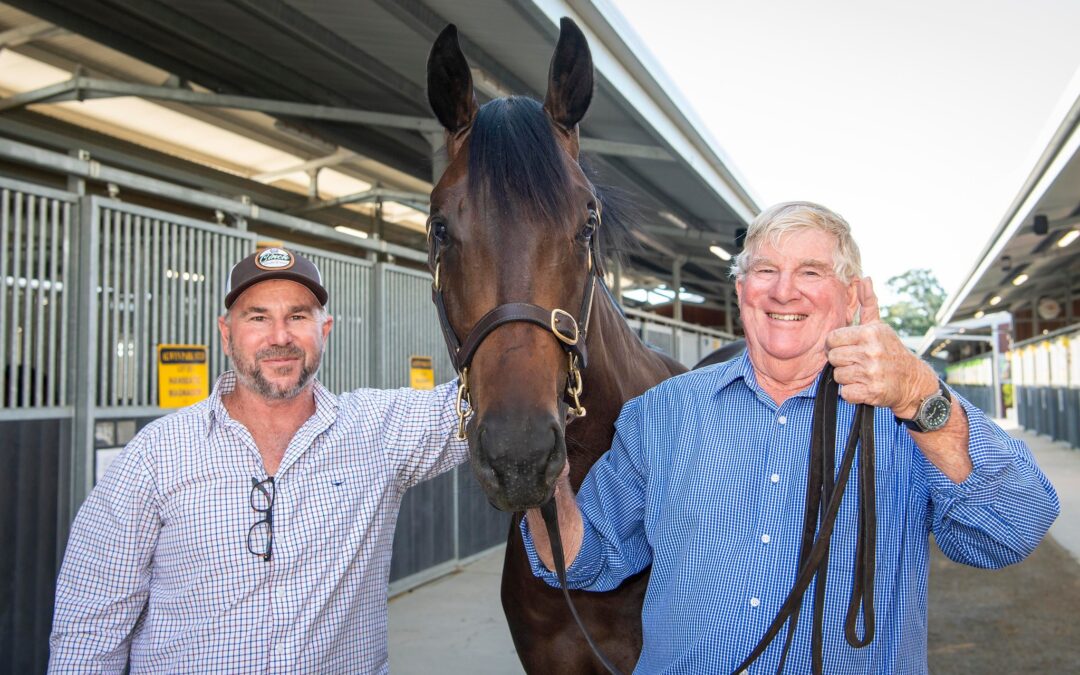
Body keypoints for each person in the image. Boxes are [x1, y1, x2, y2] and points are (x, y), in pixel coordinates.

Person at [523, 201, 1059, 673]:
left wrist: (922, 397)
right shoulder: (661, 414)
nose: (784, 290)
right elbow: (583, 562)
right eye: (766, 270)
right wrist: (544, 485)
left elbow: (1012, 531)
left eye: (811, 271)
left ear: (853, 296)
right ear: (741, 290)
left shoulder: (903, 417)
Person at [49, 247, 467, 673]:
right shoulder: (156, 454)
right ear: (226, 333)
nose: (280, 337)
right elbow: (90, 621)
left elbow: (486, 396)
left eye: (298, 316)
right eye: (258, 317)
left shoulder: (377, 432)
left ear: (326, 329)